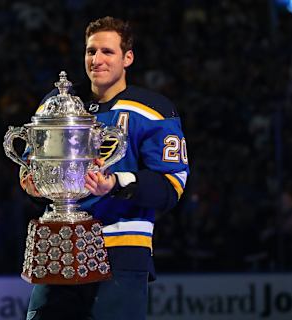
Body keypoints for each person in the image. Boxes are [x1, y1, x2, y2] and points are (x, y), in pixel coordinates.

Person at [20, 16, 189, 320]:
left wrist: (116, 184)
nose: (96, 60)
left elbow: (170, 188)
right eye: (90, 51)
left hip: (122, 250)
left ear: (128, 57)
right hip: (59, 245)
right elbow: (34, 170)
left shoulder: (153, 110)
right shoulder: (56, 105)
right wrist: (31, 185)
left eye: (107, 52)